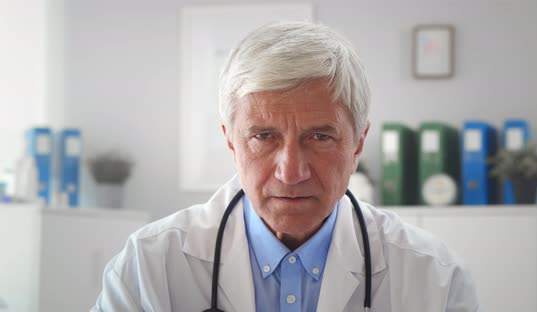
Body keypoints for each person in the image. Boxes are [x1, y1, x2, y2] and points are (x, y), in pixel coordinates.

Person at [92, 21, 479, 312]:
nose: (291, 172)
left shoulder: (434, 278)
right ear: (231, 140)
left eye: (320, 137)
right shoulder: (150, 267)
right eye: (263, 137)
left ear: (359, 142)